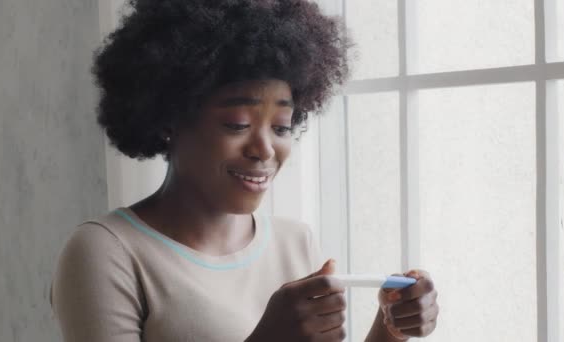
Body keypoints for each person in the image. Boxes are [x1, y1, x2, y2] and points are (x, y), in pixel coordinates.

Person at [50, 0, 439, 341]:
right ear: (169, 118)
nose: (265, 149)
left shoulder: (295, 242)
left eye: (282, 127)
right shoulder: (107, 251)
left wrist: (391, 328)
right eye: (237, 124)